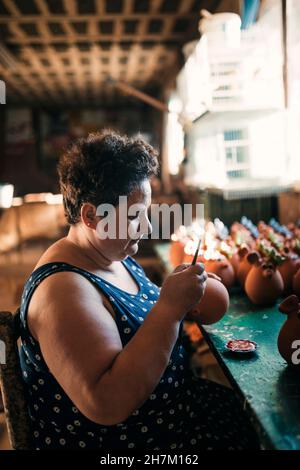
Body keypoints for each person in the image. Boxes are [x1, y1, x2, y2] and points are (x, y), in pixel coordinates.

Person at [19, 130, 259, 450]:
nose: (146, 228)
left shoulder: (110, 255)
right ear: (91, 215)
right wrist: (170, 309)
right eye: (134, 216)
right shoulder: (63, 292)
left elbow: (139, 321)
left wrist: (180, 295)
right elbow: (106, 403)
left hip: (173, 415)